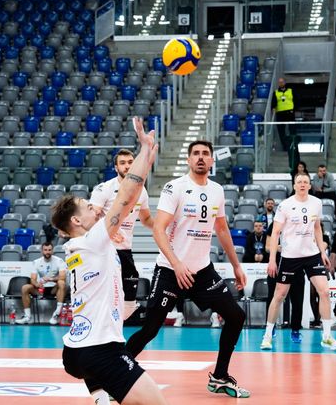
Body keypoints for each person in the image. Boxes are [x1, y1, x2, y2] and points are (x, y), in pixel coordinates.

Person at [50, 117, 167, 405]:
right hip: (100, 349)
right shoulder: (93, 241)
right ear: (77, 221)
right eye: (87, 207)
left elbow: (131, 195)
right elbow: (126, 194)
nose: (95, 208)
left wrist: (145, 161)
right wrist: (144, 149)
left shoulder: (75, 247)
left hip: (74, 350)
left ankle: (100, 397)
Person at [125, 140, 250, 399]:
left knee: (236, 316)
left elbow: (222, 229)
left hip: (202, 271)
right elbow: (158, 229)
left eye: (205, 154)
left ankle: (219, 376)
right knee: (150, 329)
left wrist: (236, 266)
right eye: (196, 154)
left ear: (212, 160)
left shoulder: (217, 190)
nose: (201, 157)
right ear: (188, 159)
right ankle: (116, 374)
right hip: (170, 270)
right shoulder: (175, 188)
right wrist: (176, 263)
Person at [261, 171, 336, 350]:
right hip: (290, 256)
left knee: (324, 291)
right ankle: (267, 336)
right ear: (294, 185)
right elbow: (275, 233)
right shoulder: (285, 205)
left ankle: (327, 336)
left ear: (310, 185)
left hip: (312, 255)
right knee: (279, 295)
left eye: (306, 181)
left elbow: (317, 228)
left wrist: (322, 252)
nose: (303, 184)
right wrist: (272, 260)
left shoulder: (316, 203)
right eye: (299, 182)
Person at [89, 148, 154, 320]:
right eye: (123, 163)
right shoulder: (105, 188)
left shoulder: (142, 191)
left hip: (125, 249)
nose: (127, 166)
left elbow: (146, 219)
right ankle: (100, 326)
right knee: (104, 294)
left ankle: (116, 325)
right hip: (104, 248)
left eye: (131, 162)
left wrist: (163, 228)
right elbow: (90, 217)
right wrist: (108, 232)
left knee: (129, 296)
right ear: (116, 167)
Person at [264, 220, 305, 339]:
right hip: (276, 267)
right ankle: (270, 328)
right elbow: (267, 247)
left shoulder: (300, 223)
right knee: (272, 298)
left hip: (297, 266)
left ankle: (296, 329)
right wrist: (278, 248)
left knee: (297, 300)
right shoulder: (275, 224)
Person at [15, 242, 68, 325]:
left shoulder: (59, 261)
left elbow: (63, 277)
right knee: (25, 287)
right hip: (41, 288)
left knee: (61, 283)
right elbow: (33, 279)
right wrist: (37, 284)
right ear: (42, 251)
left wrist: (51, 279)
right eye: (45, 250)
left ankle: (56, 314)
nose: (47, 252)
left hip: (54, 289)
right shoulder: (36, 262)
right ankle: (27, 317)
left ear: (52, 251)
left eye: (49, 250)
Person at [272, 77, 299, 171]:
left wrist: (294, 109)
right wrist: (273, 108)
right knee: (281, 131)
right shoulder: (275, 92)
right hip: (280, 114)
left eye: (282, 82)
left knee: (292, 130)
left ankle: (293, 146)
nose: (281, 83)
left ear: (285, 82)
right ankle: (285, 146)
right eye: (279, 82)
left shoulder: (291, 90)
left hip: (290, 112)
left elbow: (296, 100)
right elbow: (273, 103)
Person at [310, 222, 331, 329]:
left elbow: (322, 246)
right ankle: (316, 319)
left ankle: (321, 320)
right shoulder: (309, 236)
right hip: (309, 266)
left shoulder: (325, 237)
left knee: (321, 294)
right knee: (312, 296)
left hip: (321, 266)